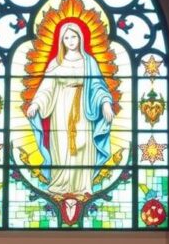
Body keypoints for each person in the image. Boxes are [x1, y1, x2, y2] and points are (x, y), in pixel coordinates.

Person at [25, 23, 115, 198]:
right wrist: (35, 104)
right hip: (60, 110)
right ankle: (60, 184)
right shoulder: (56, 63)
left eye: (73, 37)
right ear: (61, 41)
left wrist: (105, 103)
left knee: (83, 145)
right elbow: (46, 88)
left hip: (84, 108)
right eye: (66, 38)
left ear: (80, 37)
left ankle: (83, 185)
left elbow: (98, 86)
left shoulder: (89, 62)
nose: (70, 41)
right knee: (62, 146)